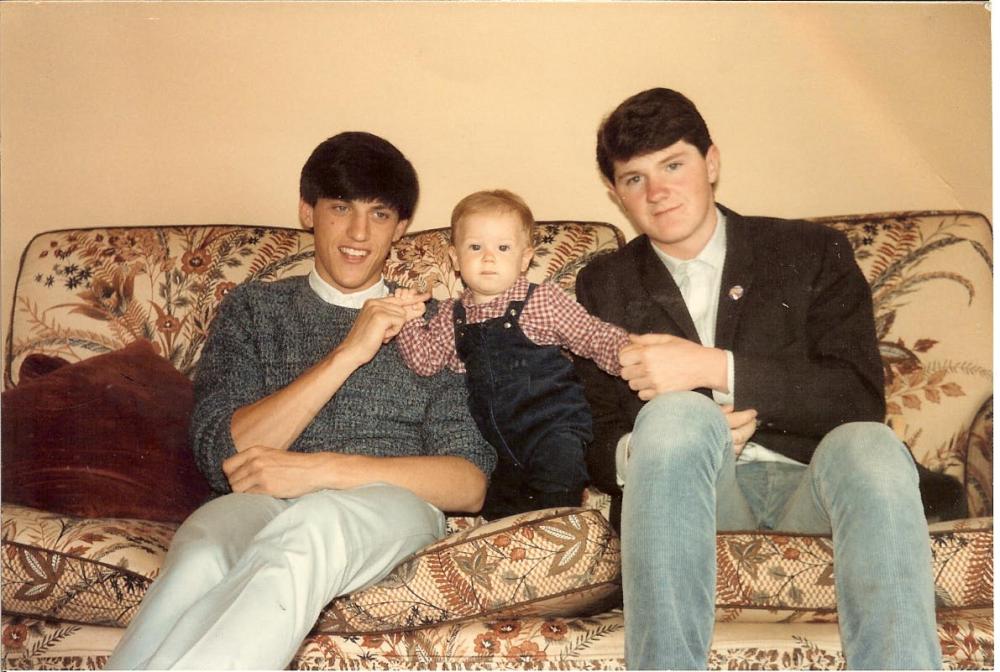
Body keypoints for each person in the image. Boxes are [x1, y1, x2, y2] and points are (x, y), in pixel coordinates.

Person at [573, 88, 944, 669]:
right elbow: (592, 439)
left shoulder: (808, 249)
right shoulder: (605, 284)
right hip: (695, 496)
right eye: (634, 179)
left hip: (817, 485)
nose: (658, 192)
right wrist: (673, 443)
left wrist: (713, 368)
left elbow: (858, 396)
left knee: (871, 445)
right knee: (674, 418)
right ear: (616, 195)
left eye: (674, 164)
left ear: (711, 162)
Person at [106, 132, 495, 670]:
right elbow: (226, 455)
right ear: (307, 211)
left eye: (379, 214)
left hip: (387, 506)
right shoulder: (255, 310)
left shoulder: (438, 323)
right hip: (261, 502)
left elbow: (469, 483)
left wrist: (320, 471)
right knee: (198, 554)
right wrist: (348, 354)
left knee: (311, 530)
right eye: (340, 208)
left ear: (400, 228)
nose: (359, 233)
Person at [394, 189, 630, 519]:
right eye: (475, 247)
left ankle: (566, 536)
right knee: (499, 513)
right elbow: (426, 363)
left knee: (556, 502)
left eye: (502, 248)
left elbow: (593, 336)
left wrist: (631, 355)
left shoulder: (541, 301)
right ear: (455, 258)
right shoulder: (451, 314)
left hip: (553, 430)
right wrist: (408, 319)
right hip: (497, 446)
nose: (488, 258)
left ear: (524, 258)